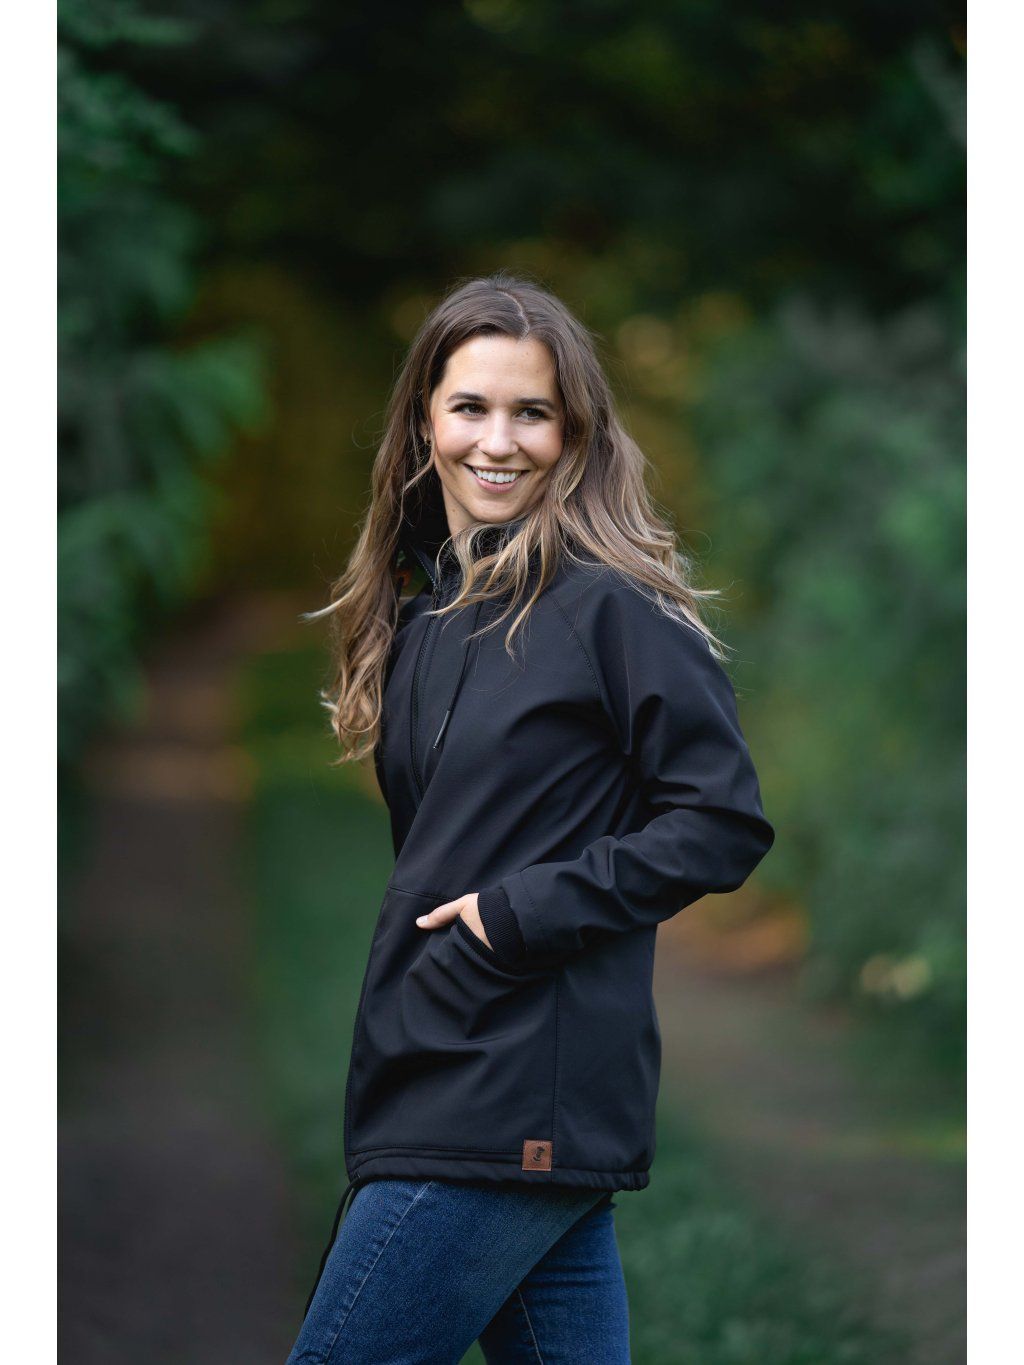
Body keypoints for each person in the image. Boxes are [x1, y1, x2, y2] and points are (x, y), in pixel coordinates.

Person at [285, 271, 775, 1363]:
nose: (498, 441)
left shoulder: (614, 609)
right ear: (425, 421)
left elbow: (720, 820)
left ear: (574, 434)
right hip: (432, 1064)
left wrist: (513, 918)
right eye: (470, 407)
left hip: (512, 1088)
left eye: (532, 412)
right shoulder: (426, 618)